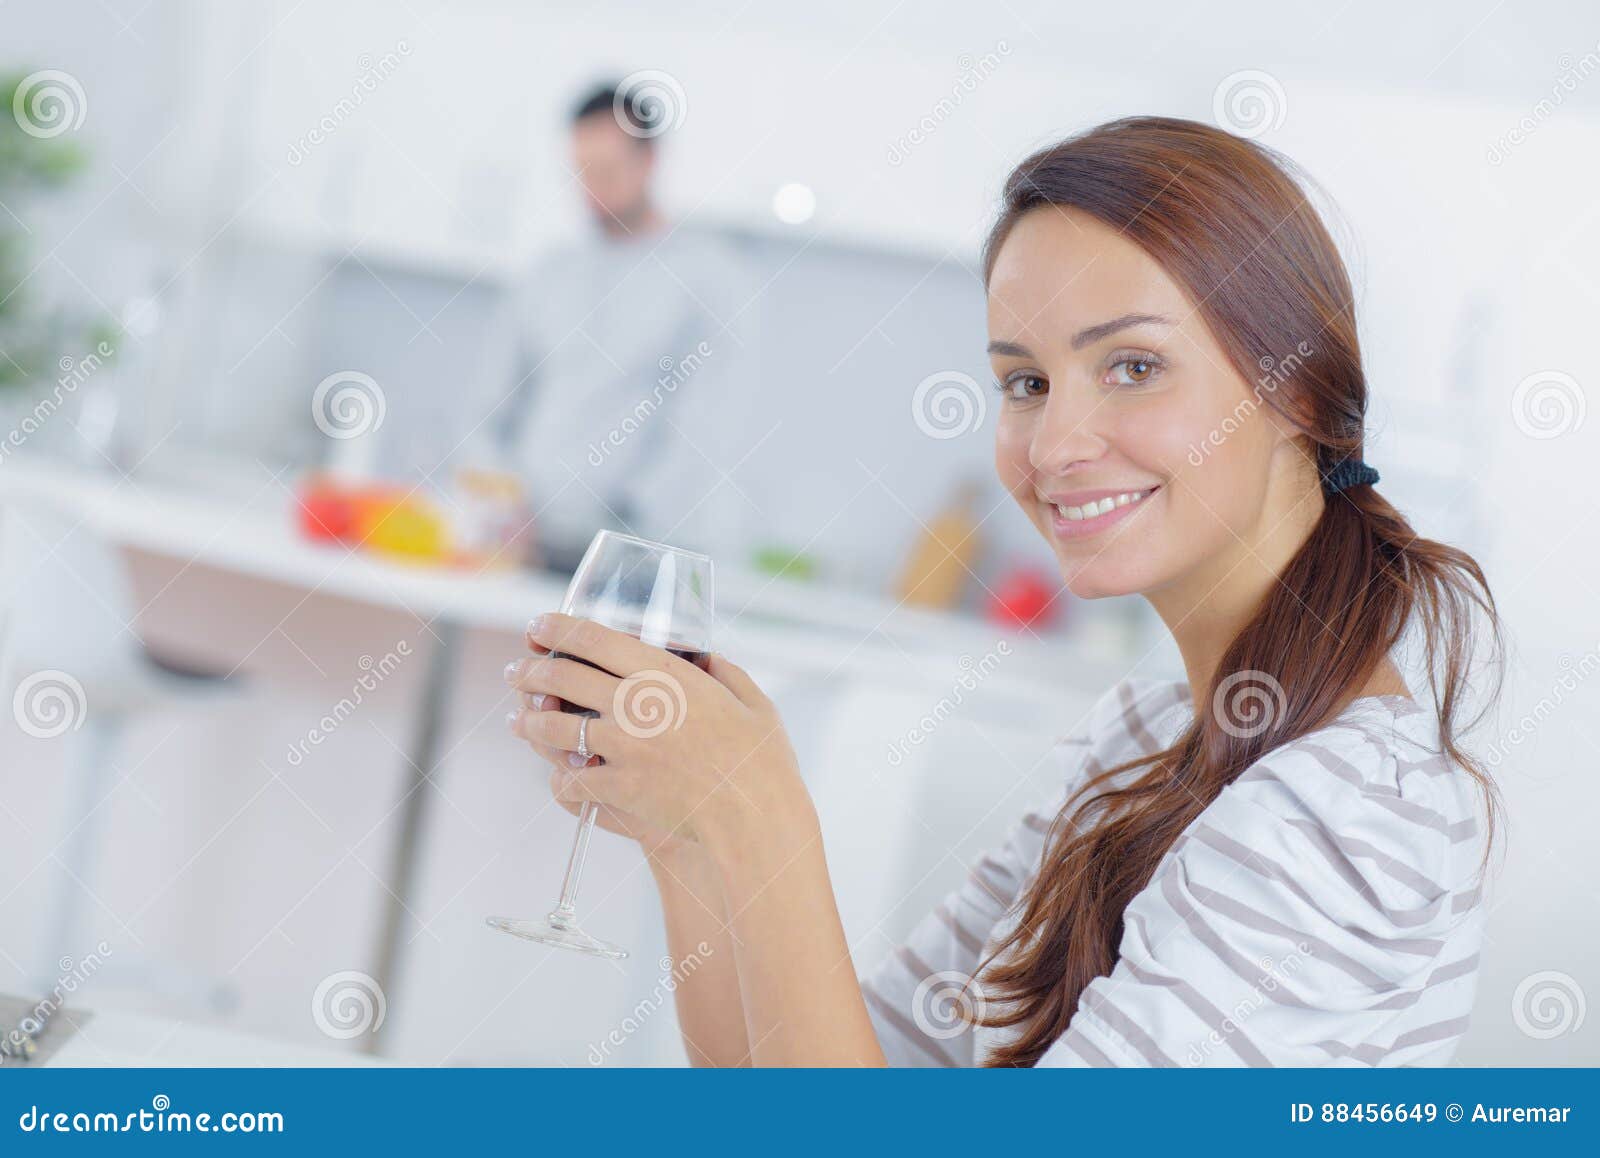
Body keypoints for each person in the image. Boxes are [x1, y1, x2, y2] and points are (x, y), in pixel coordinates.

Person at [501, 116, 1503, 1066]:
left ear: (1297, 390)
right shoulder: (1143, 743)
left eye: (1134, 366)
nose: (1055, 446)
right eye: (1026, 383)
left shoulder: (1337, 809)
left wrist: (760, 814)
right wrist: (692, 836)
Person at [470, 80, 757, 570]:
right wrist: (502, 503)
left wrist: (622, 538)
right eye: (581, 172)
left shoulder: (709, 279)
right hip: (526, 545)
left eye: (607, 170)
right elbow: (489, 409)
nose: (593, 190)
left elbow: (702, 431)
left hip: (636, 556)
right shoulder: (549, 273)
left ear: (649, 161)